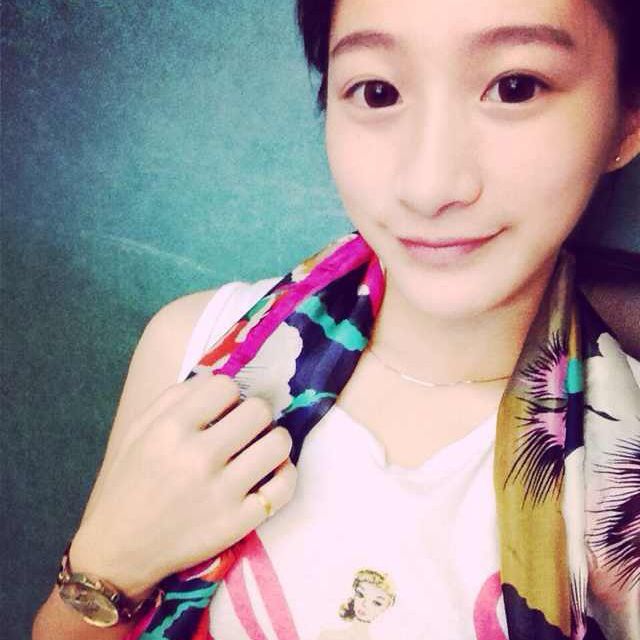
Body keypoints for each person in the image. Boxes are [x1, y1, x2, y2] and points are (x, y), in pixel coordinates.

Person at [32, 0, 640, 639]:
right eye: (377, 92)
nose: (429, 186)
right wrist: (110, 567)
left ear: (627, 118)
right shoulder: (198, 351)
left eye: (516, 87)